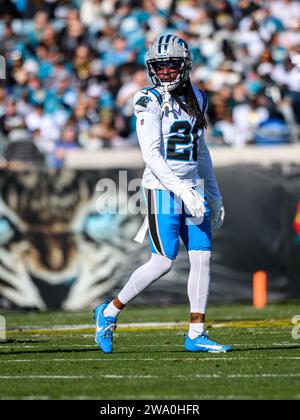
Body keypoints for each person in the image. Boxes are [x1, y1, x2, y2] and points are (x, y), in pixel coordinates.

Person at [94, 34, 232, 354]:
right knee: (163, 261)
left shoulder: (198, 95)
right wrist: (183, 189)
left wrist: (213, 190)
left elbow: (200, 148)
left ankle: (196, 333)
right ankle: (110, 311)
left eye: (172, 65)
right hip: (163, 188)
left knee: (202, 257)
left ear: (185, 65)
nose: (166, 72)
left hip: (193, 186)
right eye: (161, 66)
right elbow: (152, 155)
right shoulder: (148, 98)